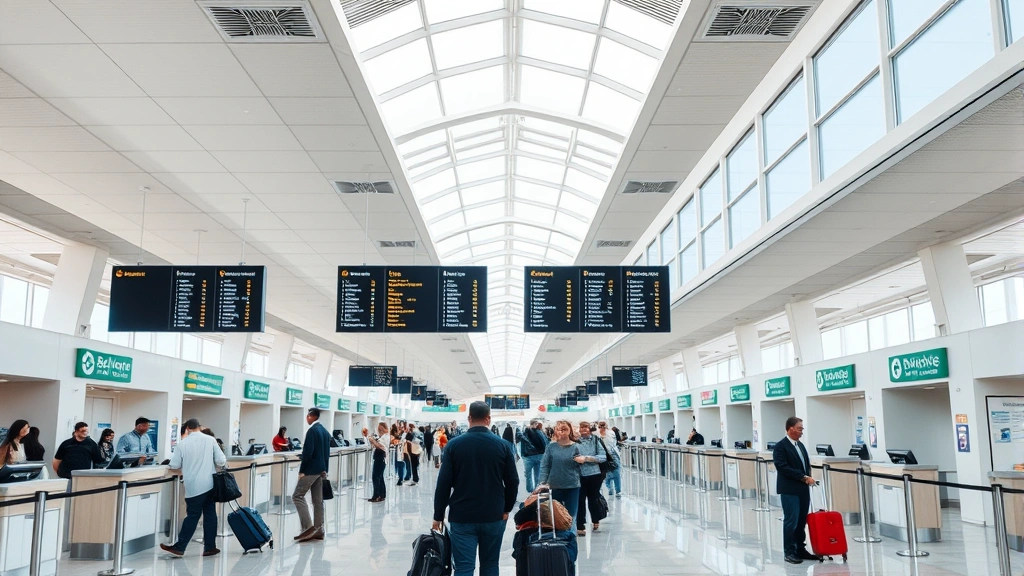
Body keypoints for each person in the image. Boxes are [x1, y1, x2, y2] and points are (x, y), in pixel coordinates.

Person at [433, 401, 518, 576]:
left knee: (464, 567)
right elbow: (513, 481)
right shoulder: (503, 445)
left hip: (462, 515)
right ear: (488, 419)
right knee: (490, 565)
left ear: (469, 418)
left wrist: (438, 515)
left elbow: (443, 483)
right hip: (493, 514)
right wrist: (507, 508)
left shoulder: (454, 445)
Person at [160, 418, 227, 557]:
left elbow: (175, 465)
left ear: (188, 428)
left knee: (192, 516)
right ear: (199, 427)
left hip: (193, 486)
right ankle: (210, 547)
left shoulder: (182, 444)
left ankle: (180, 546)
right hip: (210, 484)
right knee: (210, 515)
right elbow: (221, 460)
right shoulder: (210, 440)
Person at [773, 417, 818, 564]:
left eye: (802, 429)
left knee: (801, 521)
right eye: (799, 429)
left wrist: (807, 477)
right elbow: (782, 467)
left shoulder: (800, 445)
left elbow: (804, 464)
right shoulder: (781, 446)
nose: (801, 432)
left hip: (803, 490)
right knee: (791, 521)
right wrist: (803, 477)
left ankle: (800, 549)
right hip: (790, 489)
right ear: (791, 428)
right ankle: (789, 552)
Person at [293, 407, 331, 542]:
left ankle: (308, 528)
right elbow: (326, 453)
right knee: (317, 501)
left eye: (307, 416)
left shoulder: (312, 431)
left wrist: (302, 470)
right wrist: (325, 469)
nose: (306, 418)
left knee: (297, 496)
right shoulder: (325, 431)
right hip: (321, 470)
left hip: (311, 470)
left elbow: (308, 453)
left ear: (311, 416)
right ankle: (319, 529)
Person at [535, 420, 582, 525]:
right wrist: (542, 483)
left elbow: (583, 467)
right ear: (555, 431)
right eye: (559, 429)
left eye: (565, 429)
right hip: (554, 486)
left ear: (570, 430)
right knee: (555, 518)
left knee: (570, 517)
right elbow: (545, 466)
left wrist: (583, 461)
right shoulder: (551, 447)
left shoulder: (577, 447)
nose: (562, 431)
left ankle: (570, 538)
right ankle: (559, 540)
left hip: (572, 486)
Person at [574, 422, 607, 536]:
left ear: (590, 429)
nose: (583, 429)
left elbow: (603, 457)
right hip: (578, 475)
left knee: (593, 498)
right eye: (581, 427)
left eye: (585, 427)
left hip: (594, 474)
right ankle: (580, 525)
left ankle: (595, 520)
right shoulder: (574, 441)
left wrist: (587, 458)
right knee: (580, 500)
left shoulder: (596, 440)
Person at [519, 420, 548, 493]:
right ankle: (536, 489)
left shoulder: (525, 432)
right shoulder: (540, 432)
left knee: (528, 474)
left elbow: (523, 444)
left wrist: (523, 455)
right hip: (539, 455)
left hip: (528, 456)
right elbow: (545, 443)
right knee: (537, 473)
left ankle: (530, 489)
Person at [364, 422, 389, 503]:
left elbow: (379, 446)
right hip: (380, 458)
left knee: (376, 477)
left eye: (380, 428)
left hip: (381, 458)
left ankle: (376, 496)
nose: (379, 429)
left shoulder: (385, 437)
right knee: (380, 477)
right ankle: (382, 495)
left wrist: (372, 440)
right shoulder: (382, 436)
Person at [596, 422, 622, 498]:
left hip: (613, 455)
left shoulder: (610, 433)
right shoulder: (597, 435)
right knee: (606, 474)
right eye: (600, 426)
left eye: (603, 426)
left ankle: (618, 490)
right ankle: (610, 489)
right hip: (604, 456)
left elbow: (611, 443)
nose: (602, 428)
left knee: (616, 473)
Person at [404, 422, 421, 486]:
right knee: (414, 465)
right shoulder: (417, 432)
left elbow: (408, 438)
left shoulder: (413, 432)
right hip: (416, 451)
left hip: (413, 451)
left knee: (414, 465)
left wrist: (408, 433)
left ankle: (415, 479)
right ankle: (415, 478)